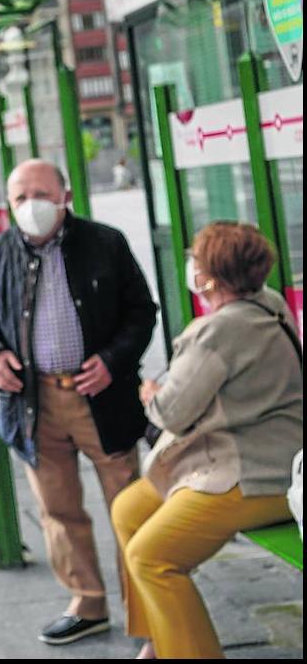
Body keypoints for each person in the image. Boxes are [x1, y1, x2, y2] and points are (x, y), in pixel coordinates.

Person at [0, 158, 158, 646]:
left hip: (101, 398)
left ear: (65, 196)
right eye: (21, 197)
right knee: (58, 508)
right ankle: (87, 602)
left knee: (129, 505)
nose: (32, 206)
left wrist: (112, 361)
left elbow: (142, 311)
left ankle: (148, 609)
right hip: (35, 403)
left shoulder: (105, 243)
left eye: (42, 194)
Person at [112, 222, 302, 660]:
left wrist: (151, 394)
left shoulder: (217, 331)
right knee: (129, 509)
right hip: (265, 458)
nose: (190, 265)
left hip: (251, 474)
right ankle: (161, 636)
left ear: (209, 277)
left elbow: (171, 413)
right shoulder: (268, 304)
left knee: (150, 556)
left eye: (195, 258)